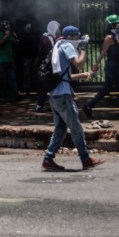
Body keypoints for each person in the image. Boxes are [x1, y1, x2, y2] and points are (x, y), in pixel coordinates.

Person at [42, 26, 104, 171]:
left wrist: (80, 76)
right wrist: (83, 49)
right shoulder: (67, 45)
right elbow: (79, 64)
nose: (78, 39)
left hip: (55, 95)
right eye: (77, 37)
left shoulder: (58, 45)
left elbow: (63, 75)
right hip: (63, 96)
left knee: (60, 129)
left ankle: (48, 159)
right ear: (70, 36)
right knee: (76, 128)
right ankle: (85, 159)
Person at [83, 14, 119, 120]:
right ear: (112, 25)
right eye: (117, 23)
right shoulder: (109, 37)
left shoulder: (115, 36)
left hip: (114, 65)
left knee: (106, 89)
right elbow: (104, 52)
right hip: (112, 67)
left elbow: (114, 53)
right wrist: (95, 64)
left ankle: (88, 106)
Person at [35, 21, 61, 112]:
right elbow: (49, 52)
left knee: (47, 86)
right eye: (58, 28)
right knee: (48, 86)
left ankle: (42, 105)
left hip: (47, 66)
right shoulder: (48, 39)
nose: (59, 31)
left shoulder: (48, 38)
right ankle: (40, 105)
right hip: (47, 66)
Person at [0, 19, 20, 102]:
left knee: (13, 79)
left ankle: (15, 97)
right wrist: (6, 36)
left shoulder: (9, 35)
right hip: (0, 61)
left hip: (9, 60)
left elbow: (17, 43)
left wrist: (15, 37)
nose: (8, 28)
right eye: (6, 27)